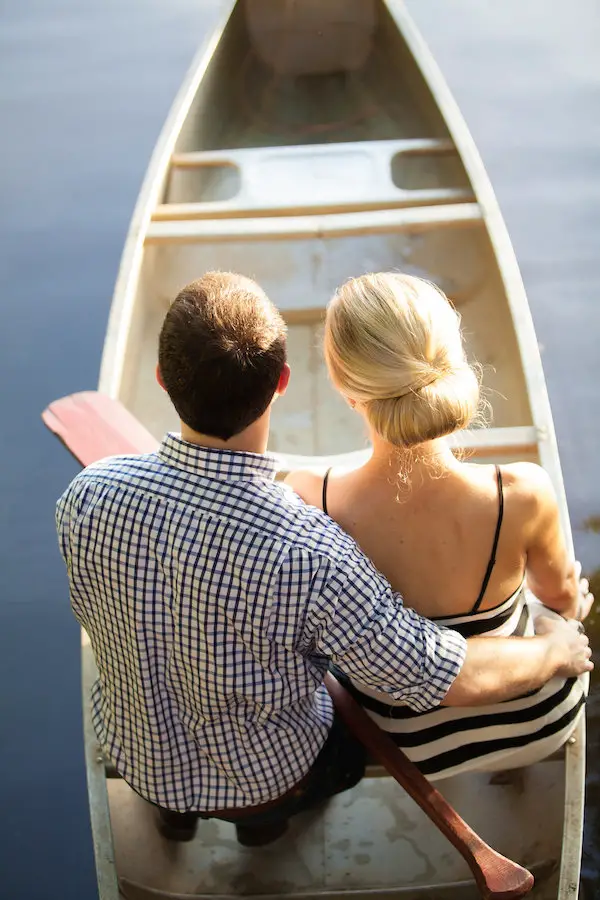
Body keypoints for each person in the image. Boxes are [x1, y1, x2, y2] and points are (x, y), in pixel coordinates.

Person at [56, 272, 592, 848]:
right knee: (329, 659)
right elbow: (430, 672)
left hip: (140, 758)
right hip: (278, 779)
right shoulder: (312, 551)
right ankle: (262, 829)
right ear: (283, 382)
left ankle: (177, 818)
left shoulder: (85, 496)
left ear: (161, 380)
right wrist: (554, 646)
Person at [287, 271, 593, 780]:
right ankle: (510, 769)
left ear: (344, 388)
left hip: (411, 748)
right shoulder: (520, 491)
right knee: (562, 601)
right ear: (450, 363)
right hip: (539, 722)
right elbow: (560, 596)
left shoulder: (311, 496)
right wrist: (566, 612)